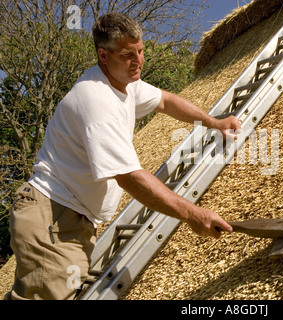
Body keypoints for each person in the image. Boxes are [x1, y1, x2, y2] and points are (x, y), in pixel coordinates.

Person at [7, 12, 240, 300]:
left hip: (67, 216)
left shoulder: (126, 85)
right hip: (53, 215)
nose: (139, 61)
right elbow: (129, 177)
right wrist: (192, 214)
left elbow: (165, 101)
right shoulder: (97, 101)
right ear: (104, 56)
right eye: (128, 54)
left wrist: (214, 122)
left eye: (141, 51)